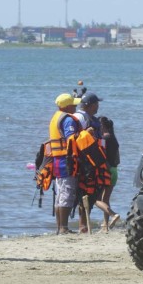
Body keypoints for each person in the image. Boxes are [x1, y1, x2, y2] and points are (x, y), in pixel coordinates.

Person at [74, 93, 120, 233]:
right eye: (96, 104)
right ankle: (104, 225)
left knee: (92, 198)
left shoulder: (100, 134)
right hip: (111, 169)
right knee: (102, 197)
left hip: (99, 167)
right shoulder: (111, 138)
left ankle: (109, 217)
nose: (98, 106)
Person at [49, 93, 81, 234]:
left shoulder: (56, 116)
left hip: (57, 160)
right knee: (67, 193)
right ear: (67, 106)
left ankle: (59, 227)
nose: (76, 106)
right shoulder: (68, 120)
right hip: (65, 160)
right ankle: (64, 228)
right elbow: (71, 139)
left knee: (60, 193)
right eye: (74, 104)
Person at [98, 116, 120, 233]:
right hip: (115, 171)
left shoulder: (103, 138)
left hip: (106, 171)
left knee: (96, 199)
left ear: (102, 126)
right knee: (106, 199)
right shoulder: (114, 139)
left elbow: (100, 154)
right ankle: (105, 226)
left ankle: (113, 214)